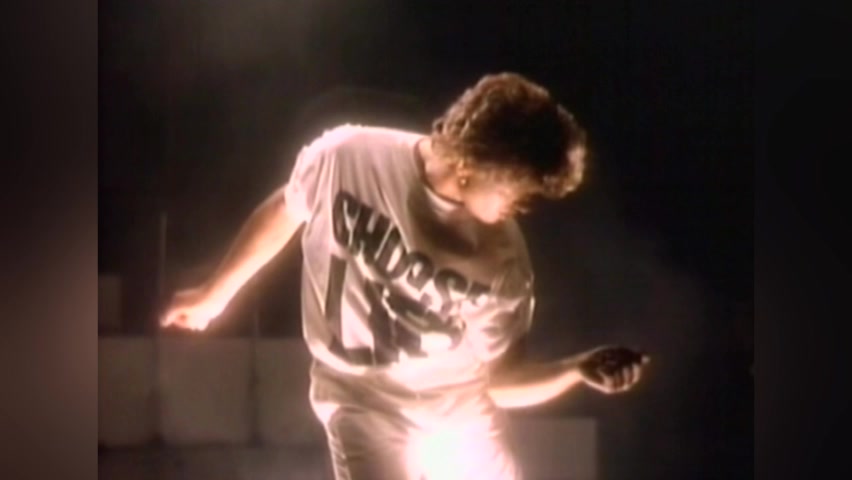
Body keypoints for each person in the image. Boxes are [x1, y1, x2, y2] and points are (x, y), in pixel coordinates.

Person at [161, 72, 650, 480]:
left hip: (456, 412)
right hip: (361, 402)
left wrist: (575, 368)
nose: (520, 207)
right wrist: (214, 295)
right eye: (516, 191)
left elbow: (500, 382)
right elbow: (286, 209)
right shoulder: (349, 156)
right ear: (472, 162)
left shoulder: (504, 262)